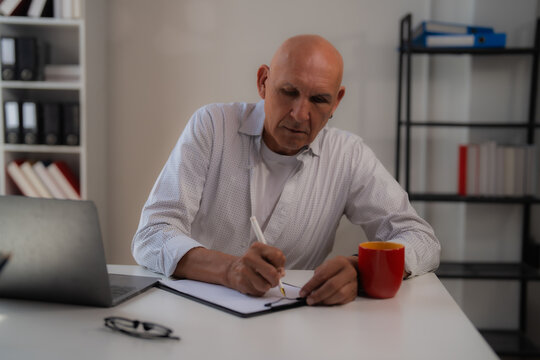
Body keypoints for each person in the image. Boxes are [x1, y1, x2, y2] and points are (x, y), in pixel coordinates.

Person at [132, 34, 440, 306]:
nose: (300, 114)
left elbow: (421, 240)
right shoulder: (213, 127)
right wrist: (230, 270)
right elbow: (152, 234)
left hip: (294, 323)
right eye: (288, 92)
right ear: (263, 82)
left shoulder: (349, 156)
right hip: (196, 311)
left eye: (319, 99)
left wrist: (362, 268)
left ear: (337, 102)